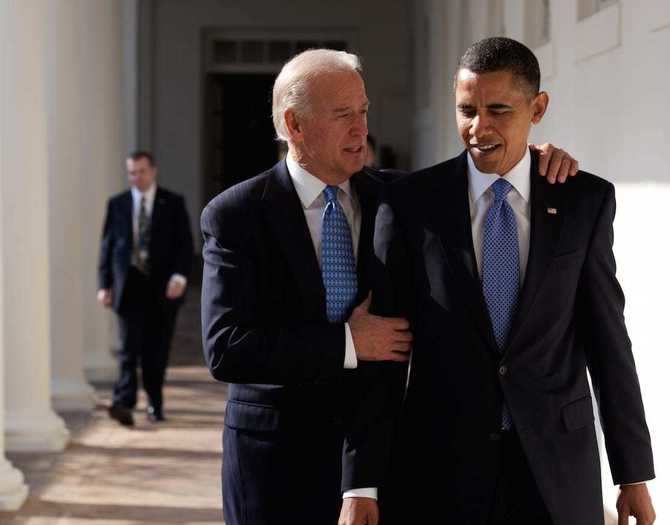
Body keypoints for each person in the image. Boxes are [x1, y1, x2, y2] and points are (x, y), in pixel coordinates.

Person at [200, 48, 577, 525]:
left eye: (363, 112)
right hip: (275, 464)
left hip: (382, 462)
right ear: (294, 125)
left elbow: (486, 166)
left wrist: (535, 158)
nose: (361, 129)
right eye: (343, 116)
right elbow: (226, 348)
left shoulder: (400, 198)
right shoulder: (235, 215)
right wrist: (349, 343)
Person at [376, 37, 655, 525]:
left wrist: (632, 474)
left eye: (499, 110)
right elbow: (386, 356)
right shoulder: (411, 201)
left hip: (555, 468)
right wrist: (363, 480)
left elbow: (607, 341)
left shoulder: (582, 202)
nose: (478, 128)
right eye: (467, 110)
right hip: (441, 468)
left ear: (538, 107)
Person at [98, 151, 194, 426]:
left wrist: (179, 277)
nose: (136, 177)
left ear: (153, 172)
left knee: (156, 349)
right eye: (131, 172)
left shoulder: (173, 203)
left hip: (162, 288)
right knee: (128, 348)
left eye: (141, 171)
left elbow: (184, 246)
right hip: (128, 286)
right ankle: (124, 402)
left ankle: (155, 402)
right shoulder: (117, 205)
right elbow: (107, 248)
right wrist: (104, 284)